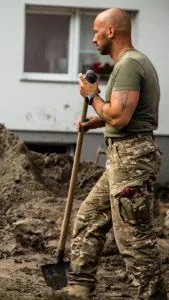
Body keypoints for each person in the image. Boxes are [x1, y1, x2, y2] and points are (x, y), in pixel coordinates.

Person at [60, 8, 167, 300]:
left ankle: (153, 296)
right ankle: (79, 287)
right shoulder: (130, 63)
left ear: (110, 31)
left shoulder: (130, 64)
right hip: (123, 157)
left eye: (96, 31)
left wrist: (93, 96)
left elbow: (119, 117)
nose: (93, 38)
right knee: (90, 215)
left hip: (132, 159)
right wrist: (96, 119)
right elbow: (124, 115)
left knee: (132, 236)